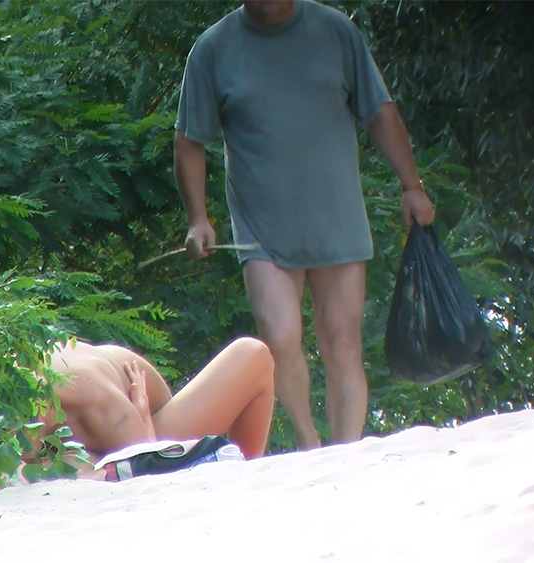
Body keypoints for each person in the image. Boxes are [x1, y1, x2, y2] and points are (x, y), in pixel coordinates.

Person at [173, 0, 436, 449]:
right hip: (262, 230)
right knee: (279, 337)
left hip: (338, 219)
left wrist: (412, 185)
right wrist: (198, 218)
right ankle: (308, 443)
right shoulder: (213, 49)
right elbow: (188, 141)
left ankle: (345, 452)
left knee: (343, 345)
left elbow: (380, 112)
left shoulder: (335, 31)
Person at [36, 336, 275, 476]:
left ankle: (247, 480)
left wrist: (144, 425)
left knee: (254, 354)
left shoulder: (98, 404)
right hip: (103, 426)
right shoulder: (15, 393)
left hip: (148, 423)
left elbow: (151, 468)